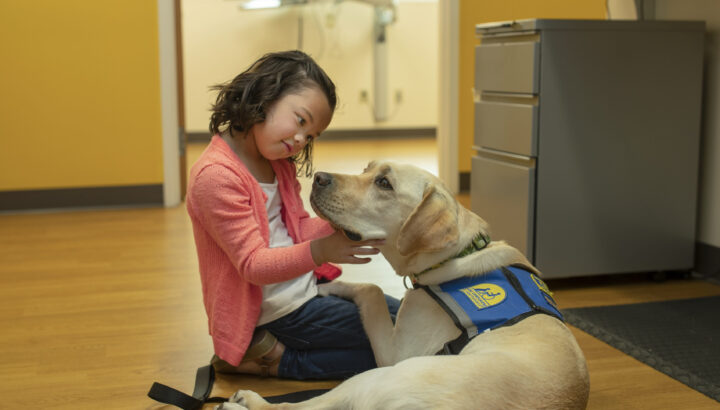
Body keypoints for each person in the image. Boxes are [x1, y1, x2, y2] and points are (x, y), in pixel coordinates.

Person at [186, 50, 400, 380]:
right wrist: (322, 251)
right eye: (300, 121)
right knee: (397, 344)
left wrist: (342, 221)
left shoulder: (276, 163)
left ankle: (269, 352)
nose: (301, 139)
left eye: (311, 135)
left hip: (304, 291)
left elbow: (297, 225)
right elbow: (253, 265)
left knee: (400, 320)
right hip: (273, 313)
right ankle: (277, 359)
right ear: (264, 95)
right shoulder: (215, 177)